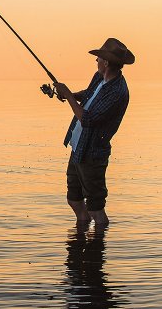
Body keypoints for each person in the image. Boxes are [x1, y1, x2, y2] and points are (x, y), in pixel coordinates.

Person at [52, 38, 133, 231]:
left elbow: (88, 120)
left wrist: (69, 96)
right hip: (78, 147)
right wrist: (69, 94)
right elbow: (88, 94)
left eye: (98, 58)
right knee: (73, 199)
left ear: (106, 62)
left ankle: (97, 249)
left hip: (93, 155)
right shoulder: (99, 77)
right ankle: (80, 238)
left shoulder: (118, 92)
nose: (96, 61)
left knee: (96, 208)